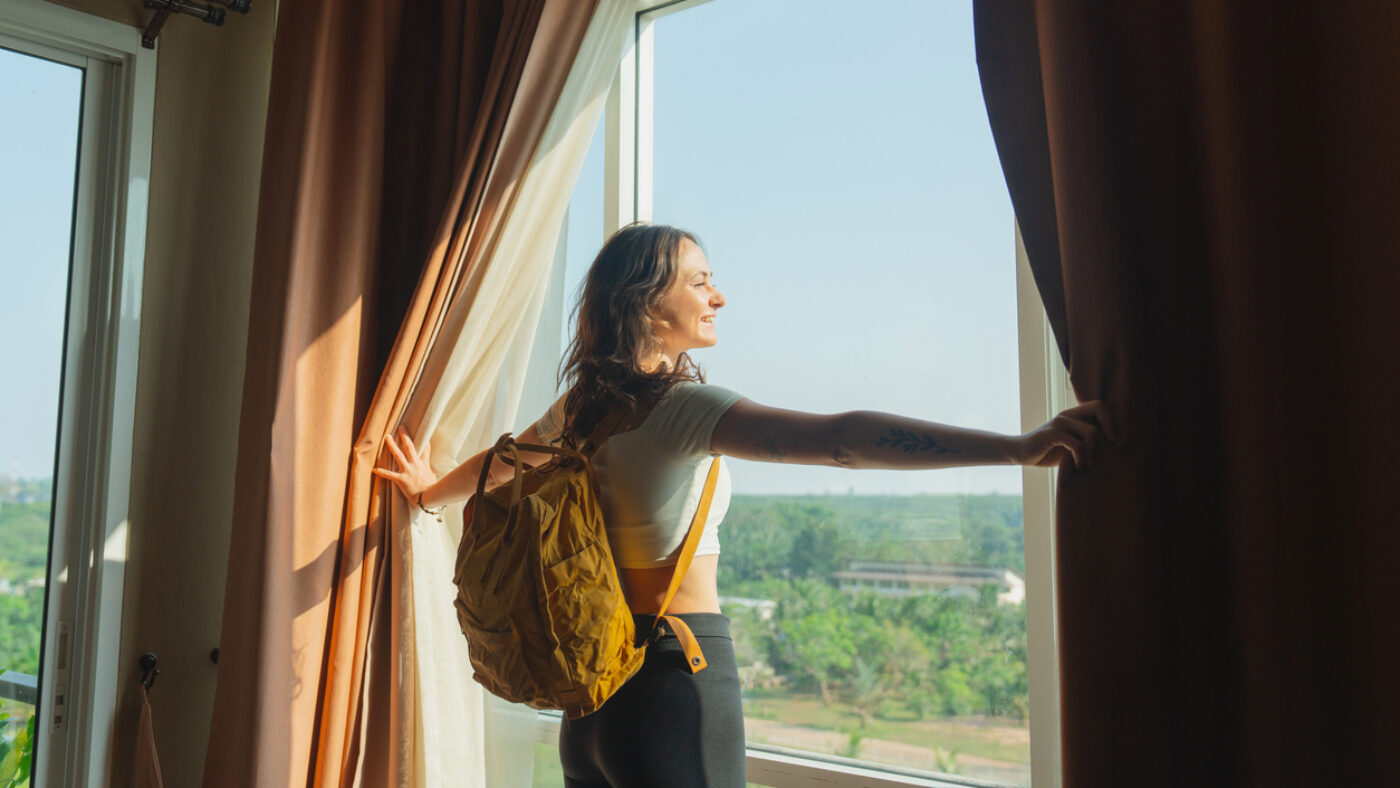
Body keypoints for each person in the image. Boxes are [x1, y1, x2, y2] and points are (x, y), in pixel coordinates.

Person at [375, 222, 1113, 787]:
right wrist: (1018, 447)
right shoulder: (682, 408)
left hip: (591, 698)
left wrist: (426, 491)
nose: (718, 296)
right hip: (674, 678)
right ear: (648, 304)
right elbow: (841, 442)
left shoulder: (581, 410)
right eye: (700, 282)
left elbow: (498, 465)